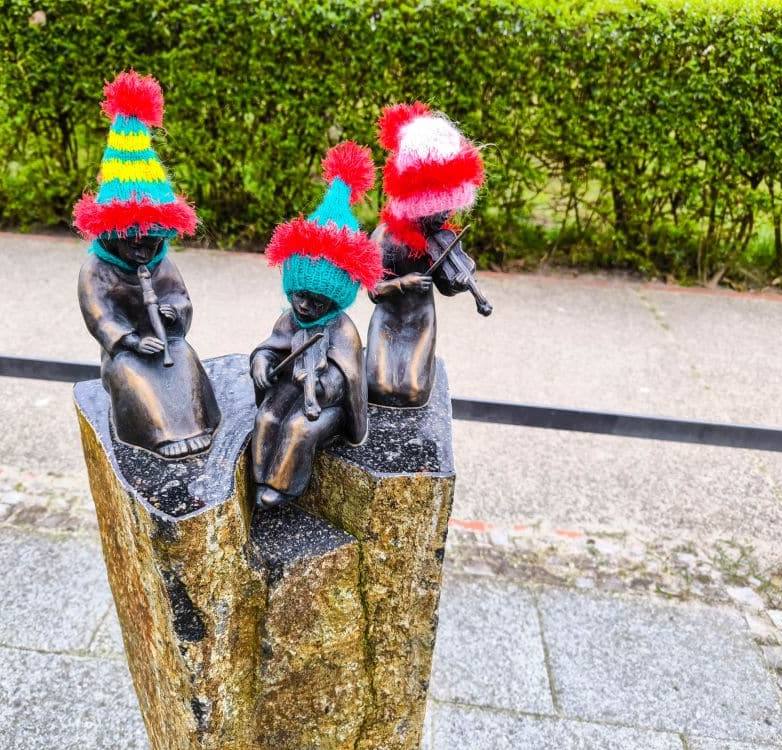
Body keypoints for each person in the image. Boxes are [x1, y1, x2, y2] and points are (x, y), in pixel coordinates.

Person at [74, 70, 219, 457]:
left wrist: (174, 313)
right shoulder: (96, 271)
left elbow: (180, 298)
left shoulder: (161, 263)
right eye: (132, 239)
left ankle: (197, 423)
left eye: (151, 239)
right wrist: (132, 341)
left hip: (166, 341)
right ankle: (159, 434)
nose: (143, 248)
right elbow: (100, 317)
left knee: (185, 358)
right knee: (132, 376)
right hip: (126, 353)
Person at [250, 142, 382, 509]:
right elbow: (271, 346)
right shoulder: (290, 319)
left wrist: (320, 387)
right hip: (290, 388)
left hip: (325, 404)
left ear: (335, 300)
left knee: (299, 428)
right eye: (299, 297)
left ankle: (284, 486)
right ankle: (259, 474)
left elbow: (346, 377)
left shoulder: (342, 330)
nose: (305, 307)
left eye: (316, 302)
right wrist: (261, 363)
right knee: (268, 416)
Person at [366, 102, 487, 408]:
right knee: (377, 386)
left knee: (412, 390)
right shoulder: (386, 236)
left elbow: (446, 286)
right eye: (438, 209)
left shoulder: (443, 238)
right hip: (388, 318)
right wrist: (403, 283)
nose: (444, 216)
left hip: (421, 319)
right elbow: (373, 290)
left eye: (448, 209)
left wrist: (459, 283)